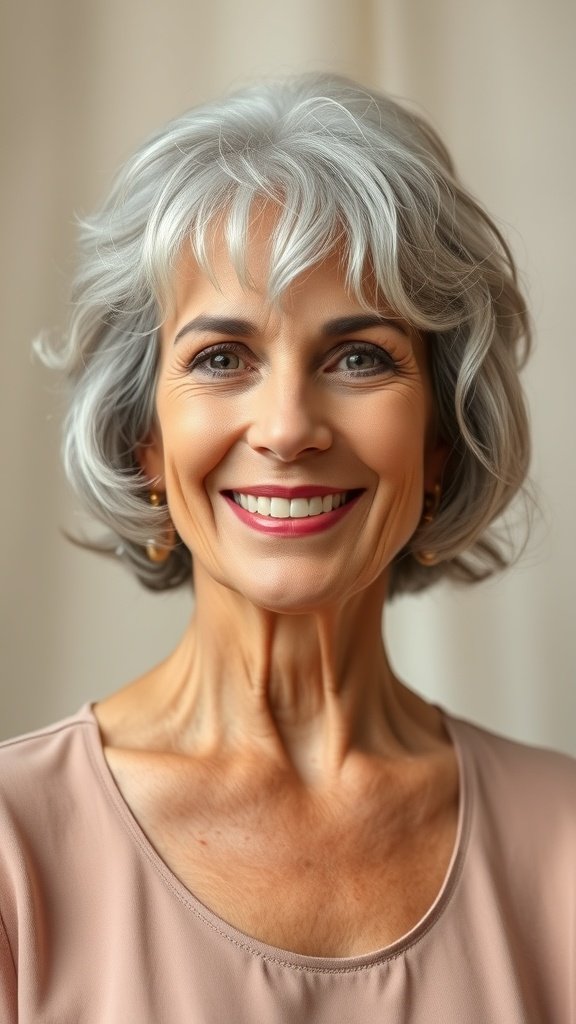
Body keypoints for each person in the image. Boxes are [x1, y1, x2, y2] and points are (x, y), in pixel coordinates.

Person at [0, 73, 574, 1023]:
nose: (288, 426)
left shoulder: (561, 846)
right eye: (222, 358)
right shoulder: (15, 850)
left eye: (360, 358)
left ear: (441, 440)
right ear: (143, 435)